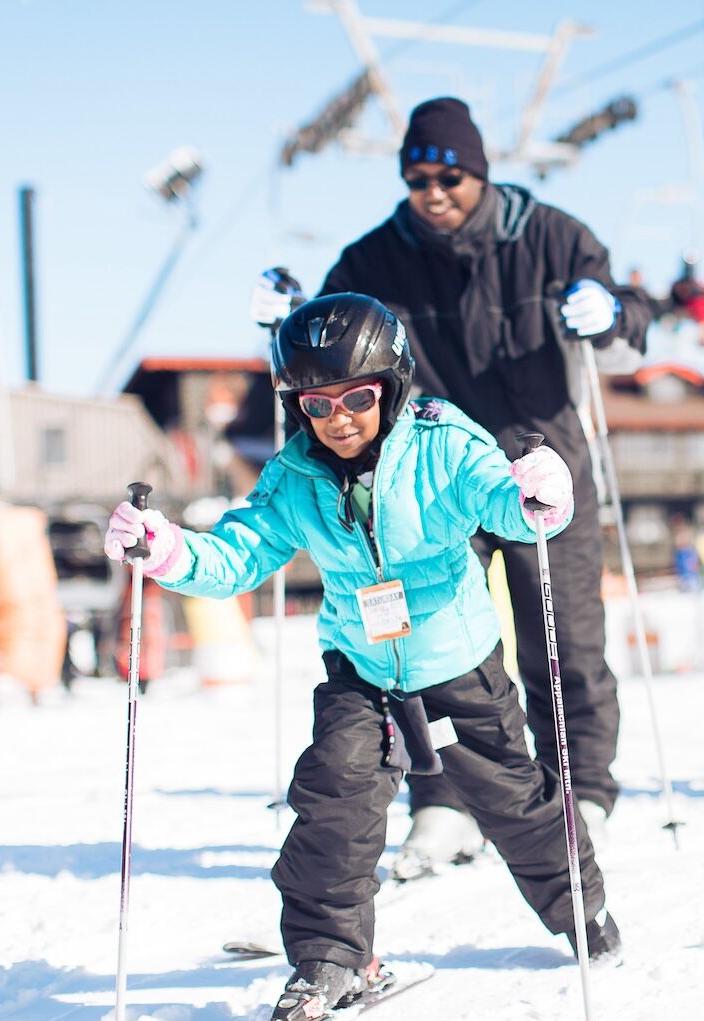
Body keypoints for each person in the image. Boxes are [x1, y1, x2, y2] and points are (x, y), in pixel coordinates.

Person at [104, 293, 619, 1021]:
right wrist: (168, 548)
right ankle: (330, 959)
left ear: (391, 386)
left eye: (357, 398)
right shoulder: (294, 477)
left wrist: (539, 493)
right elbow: (240, 552)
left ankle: (581, 907)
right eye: (318, 404)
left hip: (456, 661)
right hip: (363, 667)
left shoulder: (443, 441)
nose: (339, 418)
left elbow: (503, 503)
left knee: (512, 799)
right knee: (334, 797)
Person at [251, 97, 653, 877]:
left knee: (563, 639)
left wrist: (609, 314)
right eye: (417, 179)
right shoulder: (374, 259)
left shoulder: (552, 237)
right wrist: (284, 314)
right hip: (425, 480)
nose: (432, 193)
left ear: (480, 171)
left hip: (536, 468)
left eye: (449, 177)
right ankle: (442, 801)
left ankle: (581, 791)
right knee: (425, 645)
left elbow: (629, 325)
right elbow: (323, 341)